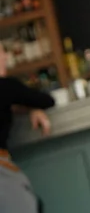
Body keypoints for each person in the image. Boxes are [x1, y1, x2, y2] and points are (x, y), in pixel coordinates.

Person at [0, 44, 55, 213]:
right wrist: (32, 108)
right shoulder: (6, 87)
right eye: (1, 52)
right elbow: (46, 100)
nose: (6, 57)